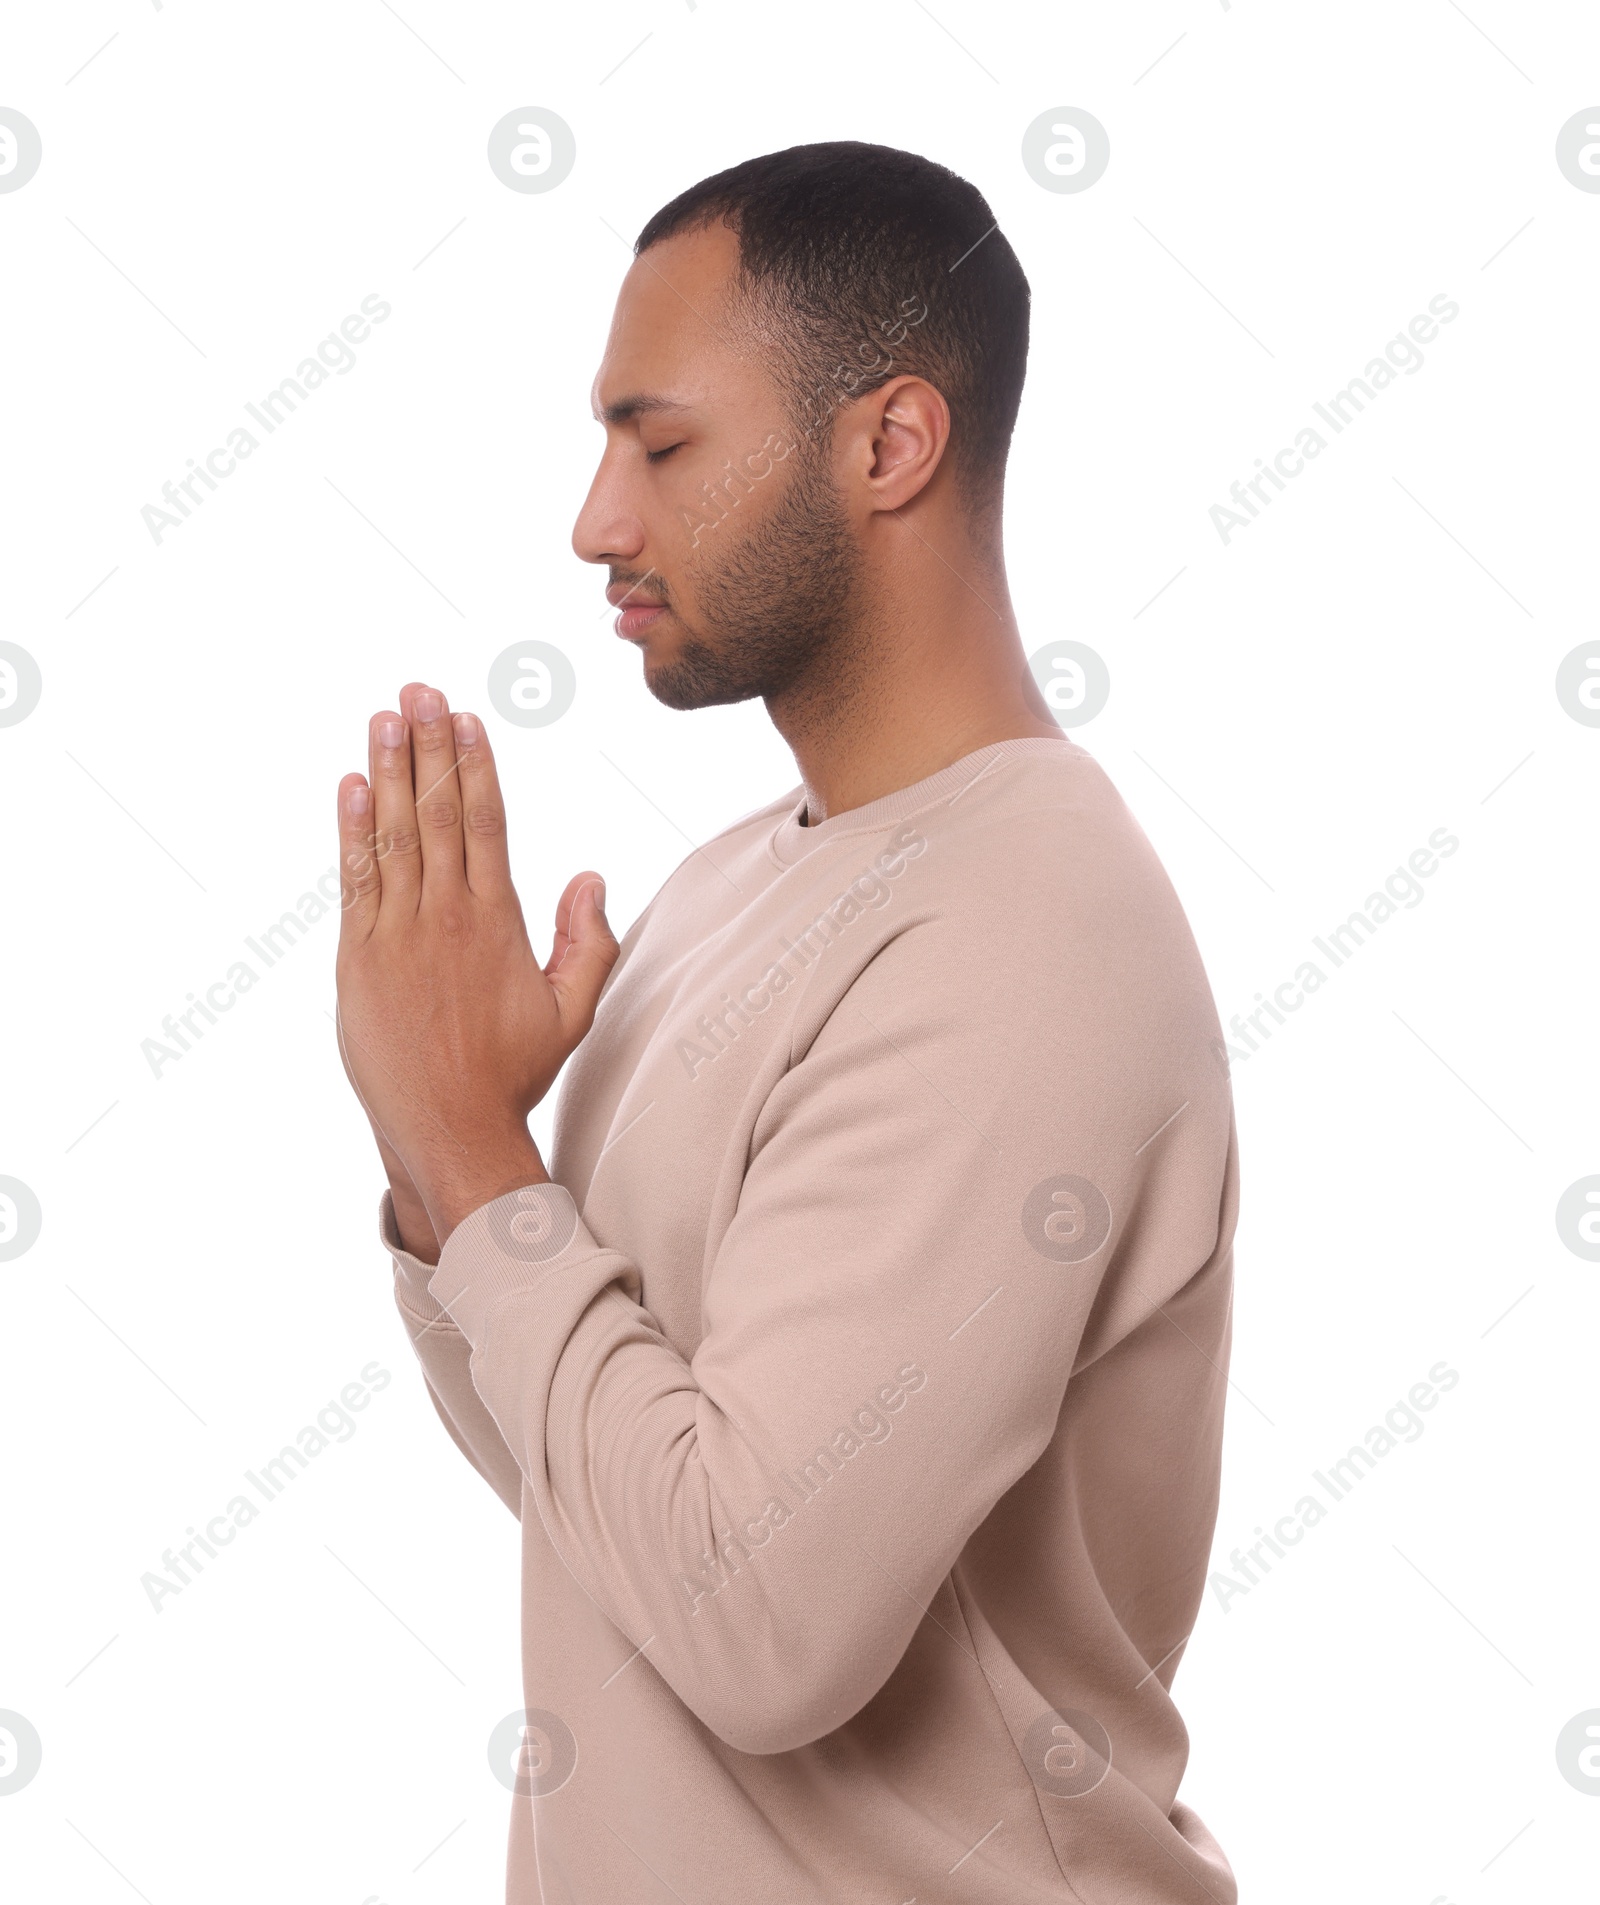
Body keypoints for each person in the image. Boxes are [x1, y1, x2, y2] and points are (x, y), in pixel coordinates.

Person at [334, 141, 1239, 1903]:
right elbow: (588, 1490)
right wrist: (451, 1159)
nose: (598, 519)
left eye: (659, 443)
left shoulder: (1024, 929)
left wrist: (471, 1148)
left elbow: (760, 1624)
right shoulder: (742, 879)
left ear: (890, 445)